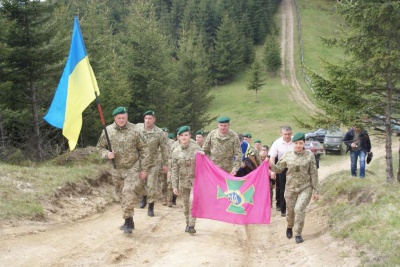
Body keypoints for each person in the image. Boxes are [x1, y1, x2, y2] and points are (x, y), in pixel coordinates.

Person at [96, 107, 151, 234]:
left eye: (124, 118)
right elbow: (99, 148)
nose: (121, 120)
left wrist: (144, 168)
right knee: (121, 195)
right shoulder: (107, 131)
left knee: (128, 192)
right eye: (119, 118)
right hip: (116, 169)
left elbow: (144, 149)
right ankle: (129, 218)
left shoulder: (135, 130)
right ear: (115, 118)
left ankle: (127, 222)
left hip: (133, 167)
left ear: (127, 117)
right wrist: (107, 155)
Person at [265, 132, 319, 244]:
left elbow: (313, 173)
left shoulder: (309, 155)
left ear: (304, 143)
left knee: (299, 209)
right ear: (293, 144)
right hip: (290, 188)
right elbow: (278, 169)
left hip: (305, 187)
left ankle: (298, 233)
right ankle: (289, 226)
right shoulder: (287, 155)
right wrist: (269, 164)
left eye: (301, 143)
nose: (298, 145)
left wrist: (316, 190)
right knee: (290, 212)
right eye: (296, 143)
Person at [136, 110, 169, 217]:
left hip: (153, 164)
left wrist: (165, 164)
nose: (147, 120)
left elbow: (164, 149)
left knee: (151, 185)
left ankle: (151, 206)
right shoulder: (138, 128)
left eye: (150, 118)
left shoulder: (159, 133)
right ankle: (144, 197)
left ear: (154, 119)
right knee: (140, 184)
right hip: (139, 163)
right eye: (146, 118)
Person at [171, 126, 201, 234]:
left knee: (193, 202)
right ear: (178, 137)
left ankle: (192, 225)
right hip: (183, 182)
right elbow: (174, 170)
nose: (184, 137)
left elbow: (203, 165)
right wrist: (174, 186)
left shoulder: (196, 149)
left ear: (190, 136)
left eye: (186, 135)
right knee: (185, 206)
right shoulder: (175, 152)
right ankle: (188, 223)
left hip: (195, 181)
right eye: (182, 135)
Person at [269, 126, 294, 217]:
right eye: (285, 134)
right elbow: (272, 157)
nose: (287, 136)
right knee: (282, 188)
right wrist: (272, 170)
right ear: (281, 134)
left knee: (293, 188)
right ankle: (283, 209)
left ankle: (293, 207)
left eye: (289, 134)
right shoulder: (277, 143)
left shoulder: (295, 141)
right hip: (282, 168)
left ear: (291, 133)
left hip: (293, 168)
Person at [159, 127, 175, 207]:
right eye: (163, 132)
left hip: (170, 166)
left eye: (166, 133)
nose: (164, 134)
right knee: (162, 184)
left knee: (170, 184)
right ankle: (164, 198)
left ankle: (169, 200)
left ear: (168, 134)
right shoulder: (158, 143)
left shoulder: (172, 143)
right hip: (161, 166)